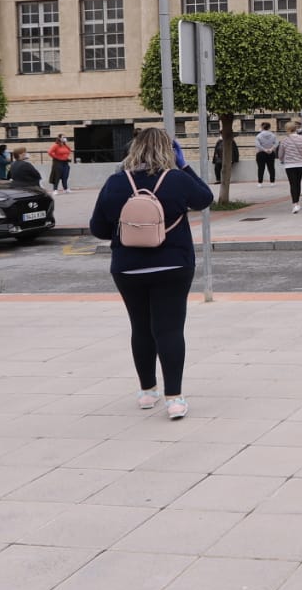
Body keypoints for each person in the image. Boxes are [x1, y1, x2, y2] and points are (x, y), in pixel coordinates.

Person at [89, 127, 215, 421]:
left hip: (128, 267)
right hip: (174, 265)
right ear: (169, 151)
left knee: (141, 328)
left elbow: (98, 228)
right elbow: (205, 199)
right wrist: (184, 165)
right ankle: (175, 399)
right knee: (169, 330)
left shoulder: (116, 182)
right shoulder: (176, 179)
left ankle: (147, 392)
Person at [277, 121, 302, 213]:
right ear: (295, 129)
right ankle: (298, 202)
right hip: (300, 164)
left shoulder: (285, 140)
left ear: (287, 129)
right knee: (298, 183)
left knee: (292, 184)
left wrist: (282, 159)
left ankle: (295, 204)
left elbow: (280, 154)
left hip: (289, 165)